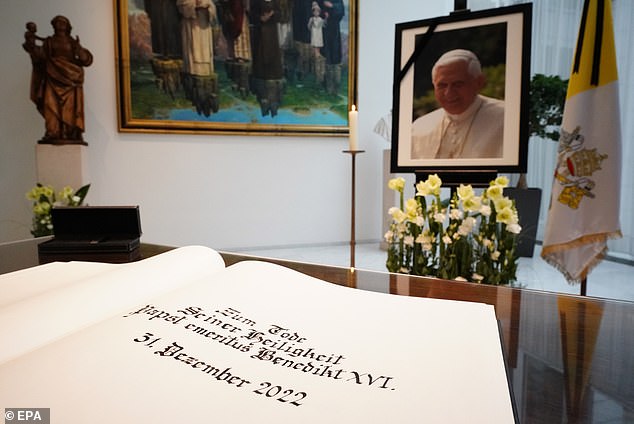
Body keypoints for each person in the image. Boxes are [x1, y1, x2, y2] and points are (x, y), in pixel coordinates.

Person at [410, 49, 504, 159]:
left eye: (458, 84)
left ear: (478, 82)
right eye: (442, 85)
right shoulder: (419, 127)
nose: (449, 93)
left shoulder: (506, 118)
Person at [22, 16, 93, 144]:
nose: (60, 24)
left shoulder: (72, 42)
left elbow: (87, 60)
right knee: (50, 106)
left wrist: (79, 50)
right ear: (53, 25)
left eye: (63, 22)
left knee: (70, 111)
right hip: (52, 77)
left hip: (71, 80)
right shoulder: (49, 42)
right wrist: (32, 47)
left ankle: (70, 133)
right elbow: (41, 57)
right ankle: (53, 132)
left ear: (68, 26)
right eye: (57, 22)